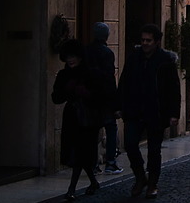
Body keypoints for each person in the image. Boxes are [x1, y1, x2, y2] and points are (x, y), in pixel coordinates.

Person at [116, 24, 181, 199]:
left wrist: (174, 113)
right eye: (143, 40)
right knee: (130, 144)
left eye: (148, 40)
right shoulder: (133, 58)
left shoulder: (166, 61)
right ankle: (140, 177)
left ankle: (152, 183)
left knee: (154, 150)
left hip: (156, 112)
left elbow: (174, 89)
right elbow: (124, 82)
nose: (145, 43)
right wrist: (119, 106)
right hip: (135, 110)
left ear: (157, 42)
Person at [52, 39, 103, 201]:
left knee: (82, 152)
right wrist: (67, 91)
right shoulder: (63, 75)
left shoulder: (91, 73)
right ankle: (93, 182)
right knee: (77, 153)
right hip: (72, 117)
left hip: (88, 118)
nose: (70, 59)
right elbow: (56, 97)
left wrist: (86, 94)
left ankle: (71, 188)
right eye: (67, 56)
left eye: (73, 56)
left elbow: (100, 96)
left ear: (80, 56)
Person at [84, 22, 123, 175]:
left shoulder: (86, 51)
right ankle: (111, 162)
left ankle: (93, 164)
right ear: (106, 35)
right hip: (105, 99)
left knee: (93, 131)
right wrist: (115, 103)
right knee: (111, 129)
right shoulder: (107, 53)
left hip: (90, 99)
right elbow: (109, 79)